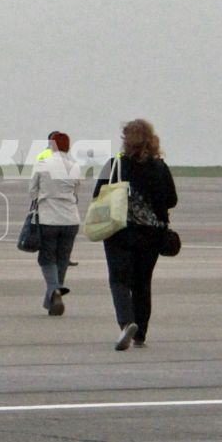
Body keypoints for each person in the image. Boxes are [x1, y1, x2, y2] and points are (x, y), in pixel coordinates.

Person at [95, 119, 177, 346]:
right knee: (142, 283)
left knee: (119, 280)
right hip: (151, 235)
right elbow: (172, 200)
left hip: (119, 232)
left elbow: (98, 196)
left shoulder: (114, 165)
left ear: (126, 140)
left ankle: (126, 322)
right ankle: (140, 334)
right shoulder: (160, 168)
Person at [28, 131, 83, 315]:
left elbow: (32, 190)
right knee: (63, 259)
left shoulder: (43, 164)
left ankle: (54, 290)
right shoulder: (75, 165)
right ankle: (52, 299)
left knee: (47, 257)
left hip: (49, 218)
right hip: (71, 218)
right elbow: (76, 190)